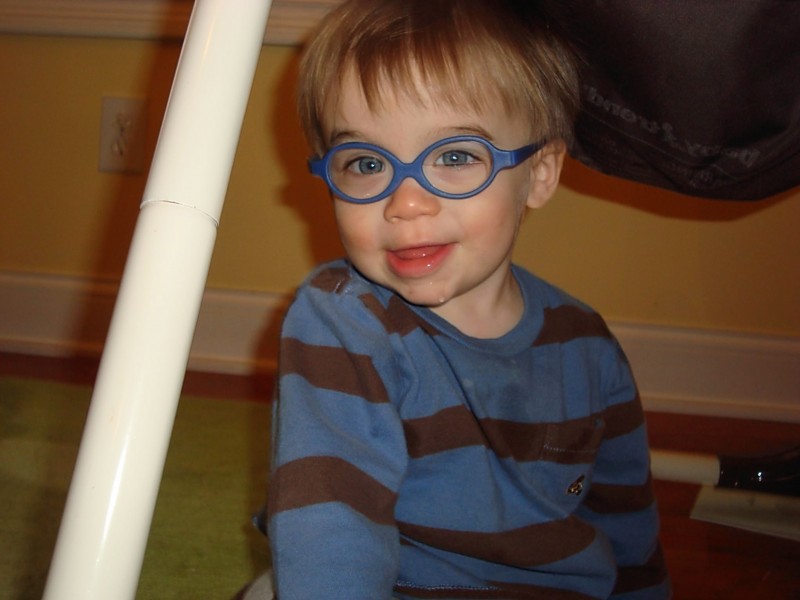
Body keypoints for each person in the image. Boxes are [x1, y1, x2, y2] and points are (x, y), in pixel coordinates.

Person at [266, 0, 671, 598]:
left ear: (539, 174)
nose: (406, 203)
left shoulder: (587, 344)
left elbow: (627, 522)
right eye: (367, 163)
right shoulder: (342, 320)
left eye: (455, 156)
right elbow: (328, 525)